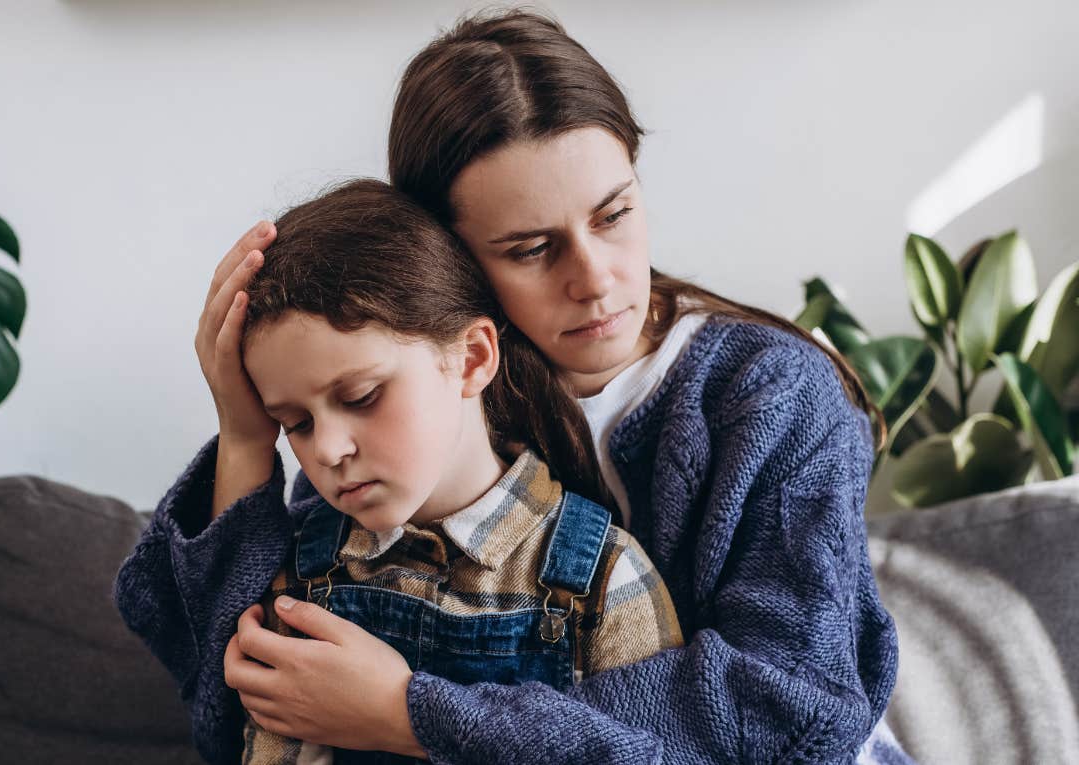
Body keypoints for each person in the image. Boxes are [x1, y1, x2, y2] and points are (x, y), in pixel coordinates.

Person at [116, 10, 912, 764]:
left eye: (614, 214)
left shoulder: (771, 395)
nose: (595, 279)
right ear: (446, 261)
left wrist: (410, 713)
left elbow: (790, 707)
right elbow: (233, 711)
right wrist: (247, 431)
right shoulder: (419, 419)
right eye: (531, 247)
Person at [189, 178, 684, 764]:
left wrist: (409, 713)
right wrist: (243, 434)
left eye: (363, 396)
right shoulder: (301, 576)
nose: (328, 449)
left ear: (471, 358)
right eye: (296, 423)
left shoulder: (603, 582)